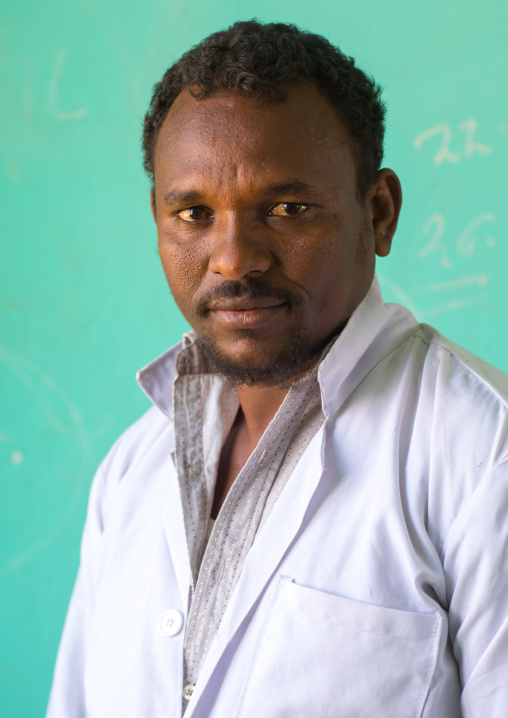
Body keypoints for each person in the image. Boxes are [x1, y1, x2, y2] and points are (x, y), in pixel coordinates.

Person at [47, 20, 508, 718]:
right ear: (158, 219)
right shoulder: (130, 473)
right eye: (194, 213)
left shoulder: (482, 453)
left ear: (377, 214)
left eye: (288, 209)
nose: (234, 259)